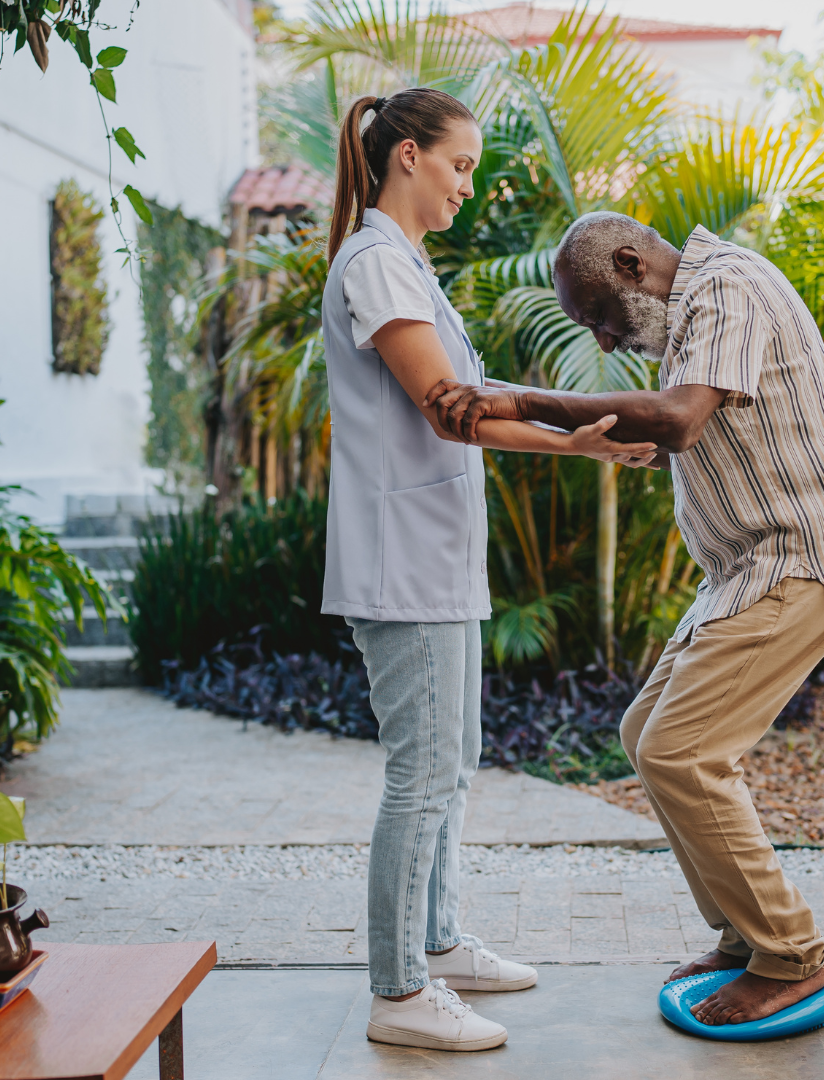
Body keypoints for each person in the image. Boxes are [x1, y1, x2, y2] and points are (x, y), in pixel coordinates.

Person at [424, 211, 824, 1026]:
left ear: (629, 263)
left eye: (600, 317)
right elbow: (684, 427)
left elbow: (681, 419)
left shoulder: (725, 287)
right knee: (644, 734)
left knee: (683, 752)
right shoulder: (695, 312)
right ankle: (740, 936)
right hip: (748, 567)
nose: (608, 341)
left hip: (802, 555)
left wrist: (521, 398)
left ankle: (792, 952)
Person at [321, 97, 656, 1051]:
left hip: (434, 559)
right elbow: (447, 409)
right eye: (461, 167)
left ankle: (436, 941)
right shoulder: (379, 261)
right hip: (402, 565)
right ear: (410, 157)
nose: (469, 186)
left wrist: (573, 432)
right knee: (420, 776)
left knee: (452, 762)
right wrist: (577, 443)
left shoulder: (407, 263)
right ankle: (397, 992)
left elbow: (459, 403)